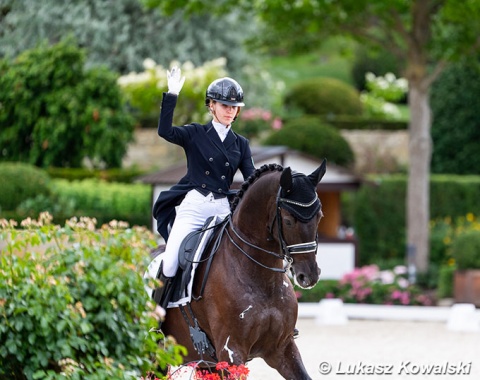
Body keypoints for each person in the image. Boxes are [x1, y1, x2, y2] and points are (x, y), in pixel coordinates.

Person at [150, 67, 256, 308]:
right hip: (194, 206)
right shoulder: (196, 133)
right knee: (170, 262)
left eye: (234, 107)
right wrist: (172, 95)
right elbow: (165, 131)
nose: (230, 111)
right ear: (211, 106)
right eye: (224, 106)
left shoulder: (241, 144)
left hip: (222, 210)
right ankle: (156, 317)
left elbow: (251, 180)